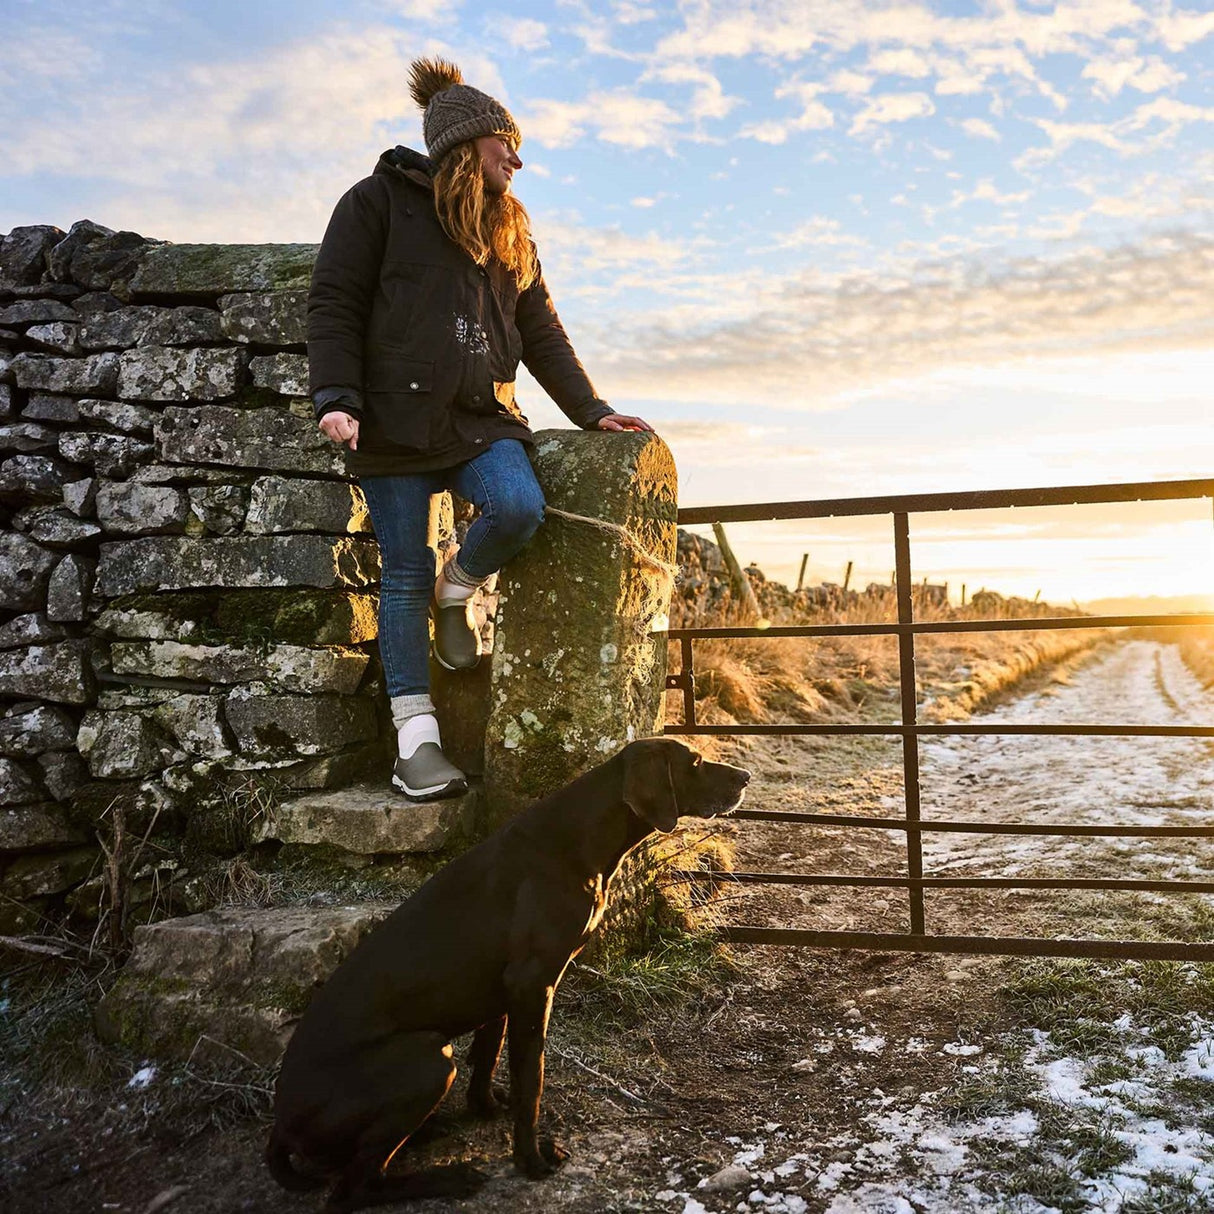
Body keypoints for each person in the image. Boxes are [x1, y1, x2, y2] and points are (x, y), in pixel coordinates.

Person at [308, 57, 652, 802]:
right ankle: (416, 743)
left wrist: (592, 411)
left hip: (482, 417)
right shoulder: (375, 204)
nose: (518, 161)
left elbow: (542, 330)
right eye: (508, 144)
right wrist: (336, 395)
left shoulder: (509, 230)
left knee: (517, 505)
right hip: (392, 424)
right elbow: (333, 300)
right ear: (468, 143)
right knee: (400, 575)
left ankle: (458, 587)